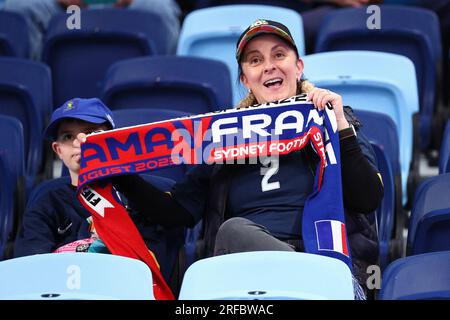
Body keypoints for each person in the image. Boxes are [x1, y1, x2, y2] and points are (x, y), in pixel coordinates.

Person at [78, 20, 383, 299]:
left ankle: (318, 282)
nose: (268, 67)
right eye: (255, 61)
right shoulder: (223, 137)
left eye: (279, 55)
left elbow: (368, 197)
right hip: (245, 273)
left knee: (234, 231)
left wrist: (341, 128)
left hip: (323, 258)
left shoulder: (331, 121)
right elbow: (174, 213)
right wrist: (116, 169)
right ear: (245, 79)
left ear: (298, 67)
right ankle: (315, 284)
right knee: (235, 232)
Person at [14, 97, 184, 287]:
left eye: (90, 133)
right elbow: (30, 266)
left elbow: (155, 266)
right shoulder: (46, 200)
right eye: (67, 137)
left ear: (112, 139)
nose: (79, 142)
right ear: (58, 150)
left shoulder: (147, 195)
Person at [3, 0, 181, 60]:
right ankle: (37, 107)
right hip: (67, 9)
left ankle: (156, 99)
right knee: (19, 9)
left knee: (160, 10)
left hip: (127, 6)